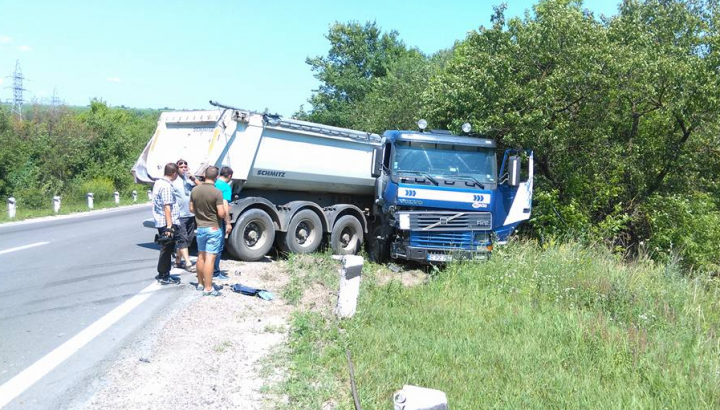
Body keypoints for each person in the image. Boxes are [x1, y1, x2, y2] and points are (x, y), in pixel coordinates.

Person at [189, 166, 226, 296]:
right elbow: (221, 213)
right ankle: (209, 288)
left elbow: (191, 209)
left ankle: (200, 283)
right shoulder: (217, 192)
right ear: (216, 177)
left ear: (204, 175)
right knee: (210, 258)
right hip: (213, 227)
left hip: (200, 228)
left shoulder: (195, 190)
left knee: (200, 256)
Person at [152, 163, 181, 285]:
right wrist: (169, 227)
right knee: (166, 249)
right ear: (174, 173)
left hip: (161, 221)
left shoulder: (158, 182)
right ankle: (164, 275)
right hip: (166, 223)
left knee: (167, 249)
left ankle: (165, 273)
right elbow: (167, 207)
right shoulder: (166, 186)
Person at [172, 159, 197, 272]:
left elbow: (201, 186)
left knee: (189, 239)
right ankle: (188, 263)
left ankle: (178, 260)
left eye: (185, 166)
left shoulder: (189, 180)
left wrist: (192, 178)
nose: (183, 168)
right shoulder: (173, 181)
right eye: (181, 166)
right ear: (177, 168)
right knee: (183, 239)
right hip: (179, 215)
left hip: (190, 214)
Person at [213, 166, 233, 280]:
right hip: (218, 218)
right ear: (229, 176)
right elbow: (225, 205)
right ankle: (215, 272)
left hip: (207, 218)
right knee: (218, 246)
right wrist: (228, 223)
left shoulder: (213, 183)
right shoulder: (225, 187)